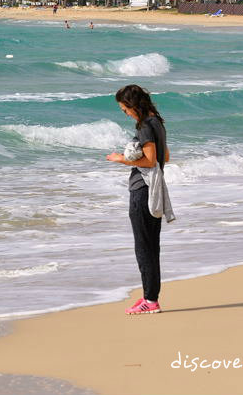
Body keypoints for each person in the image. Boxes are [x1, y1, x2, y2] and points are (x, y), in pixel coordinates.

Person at [106, 84, 171, 315]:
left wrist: (121, 159)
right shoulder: (157, 122)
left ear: (134, 105)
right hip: (154, 189)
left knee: (144, 247)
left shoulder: (145, 125)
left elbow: (151, 161)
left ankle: (151, 300)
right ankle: (150, 297)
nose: (126, 113)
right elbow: (166, 157)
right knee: (152, 246)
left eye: (125, 110)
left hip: (143, 190)